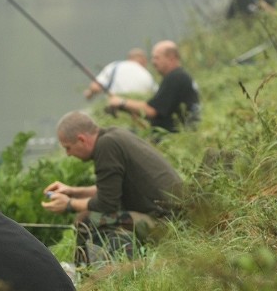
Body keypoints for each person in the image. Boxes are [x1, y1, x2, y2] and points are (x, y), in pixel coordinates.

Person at [42, 111, 183, 266]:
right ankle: (86, 269)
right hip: (175, 214)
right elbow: (109, 190)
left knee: (86, 219)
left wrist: (69, 204)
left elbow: (106, 203)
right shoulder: (114, 135)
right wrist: (72, 191)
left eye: (68, 148)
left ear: (81, 139)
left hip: (166, 223)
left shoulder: (106, 147)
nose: (68, 154)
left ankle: (89, 273)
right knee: (87, 216)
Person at [106, 40, 201, 134]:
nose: (153, 62)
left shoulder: (175, 78)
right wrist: (127, 109)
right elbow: (160, 111)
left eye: (157, 58)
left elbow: (151, 110)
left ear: (171, 58)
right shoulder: (180, 76)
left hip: (174, 139)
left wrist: (121, 102)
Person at [84, 48, 157, 100]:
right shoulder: (147, 75)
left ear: (129, 58)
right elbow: (156, 94)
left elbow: (95, 87)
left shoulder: (115, 66)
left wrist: (90, 92)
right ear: (144, 61)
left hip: (115, 110)